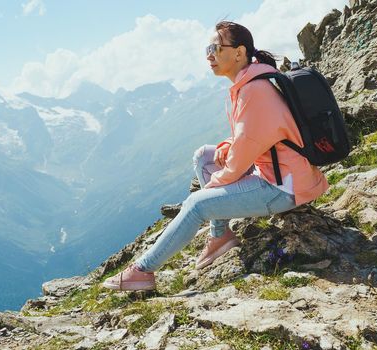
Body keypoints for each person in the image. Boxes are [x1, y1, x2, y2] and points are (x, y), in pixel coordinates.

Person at [102, 21, 329, 291]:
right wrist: (228, 148)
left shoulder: (254, 90)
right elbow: (259, 134)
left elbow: (242, 156)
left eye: (215, 48)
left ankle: (142, 271)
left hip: (283, 186)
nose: (209, 55)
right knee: (204, 157)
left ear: (238, 52)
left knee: (197, 205)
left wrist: (210, 189)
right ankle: (220, 237)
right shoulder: (250, 83)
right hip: (275, 172)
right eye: (207, 49)